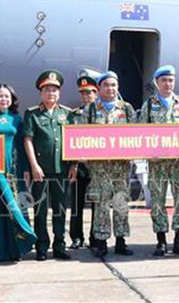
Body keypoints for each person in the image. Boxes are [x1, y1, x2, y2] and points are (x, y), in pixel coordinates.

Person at [70, 71, 135, 257]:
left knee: (121, 203)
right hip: (99, 168)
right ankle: (101, 241)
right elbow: (81, 135)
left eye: (113, 85)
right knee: (101, 205)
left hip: (121, 167)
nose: (110, 88)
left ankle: (121, 241)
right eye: (106, 85)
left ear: (118, 87)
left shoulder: (126, 108)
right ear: (99, 88)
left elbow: (135, 134)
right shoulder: (90, 110)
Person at [138, 65, 179, 256]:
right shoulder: (149, 105)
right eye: (164, 80)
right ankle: (161, 241)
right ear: (157, 82)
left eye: (171, 80)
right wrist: (148, 152)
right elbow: (141, 131)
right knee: (157, 200)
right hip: (157, 163)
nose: (167, 84)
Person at [0, 84, 37, 262]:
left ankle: (18, 248)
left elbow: (21, 145)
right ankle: (0, 251)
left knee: (15, 208)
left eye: (7, 97)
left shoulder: (16, 119)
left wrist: (26, 169)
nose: (4, 99)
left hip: (14, 170)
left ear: (12, 100)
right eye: (0, 96)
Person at [23, 70, 73, 261]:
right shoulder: (32, 114)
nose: (51, 93)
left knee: (60, 210)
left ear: (59, 93)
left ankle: (60, 245)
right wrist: (34, 166)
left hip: (62, 169)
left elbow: (73, 141)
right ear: (40, 93)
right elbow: (28, 139)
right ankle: (42, 246)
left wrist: (74, 166)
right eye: (47, 90)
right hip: (41, 170)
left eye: (54, 90)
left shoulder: (67, 114)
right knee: (40, 210)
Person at [69, 75, 98, 250]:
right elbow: (70, 141)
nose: (86, 96)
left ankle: (95, 237)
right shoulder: (74, 115)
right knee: (76, 203)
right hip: (79, 166)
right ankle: (76, 237)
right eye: (83, 93)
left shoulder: (101, 114)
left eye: (90, 93)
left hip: (98, 166)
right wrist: (73, 164)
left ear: (96, 94)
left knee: (97, 202)